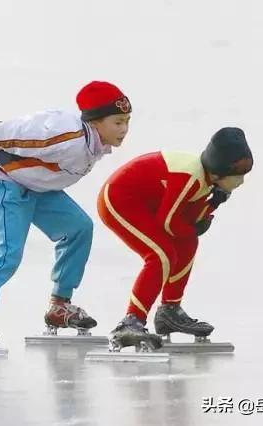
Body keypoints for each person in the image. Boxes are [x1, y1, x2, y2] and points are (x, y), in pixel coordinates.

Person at [0, 81, 132, 347]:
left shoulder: (94, 142)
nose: (124, 129)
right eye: (117, 122)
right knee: (8, 251)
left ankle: (59, 306)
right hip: (6, 182)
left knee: (79, 228)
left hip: (39, 187)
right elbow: (16, 131)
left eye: (126, 121)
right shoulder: (65, 135)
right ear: (95, 122)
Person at [97, 127, 253, 350]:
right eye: (238, 176)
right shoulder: (190, 177)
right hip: (119, 198)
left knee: (187, 243)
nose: (241, 182)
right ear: (218, 173)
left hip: (148, 204)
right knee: (161, 254)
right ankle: (130, 321)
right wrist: (199, 220)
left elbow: (189, 221)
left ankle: (169, 311)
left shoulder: (207, 180)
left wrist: (212, 203)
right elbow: (169, 223)